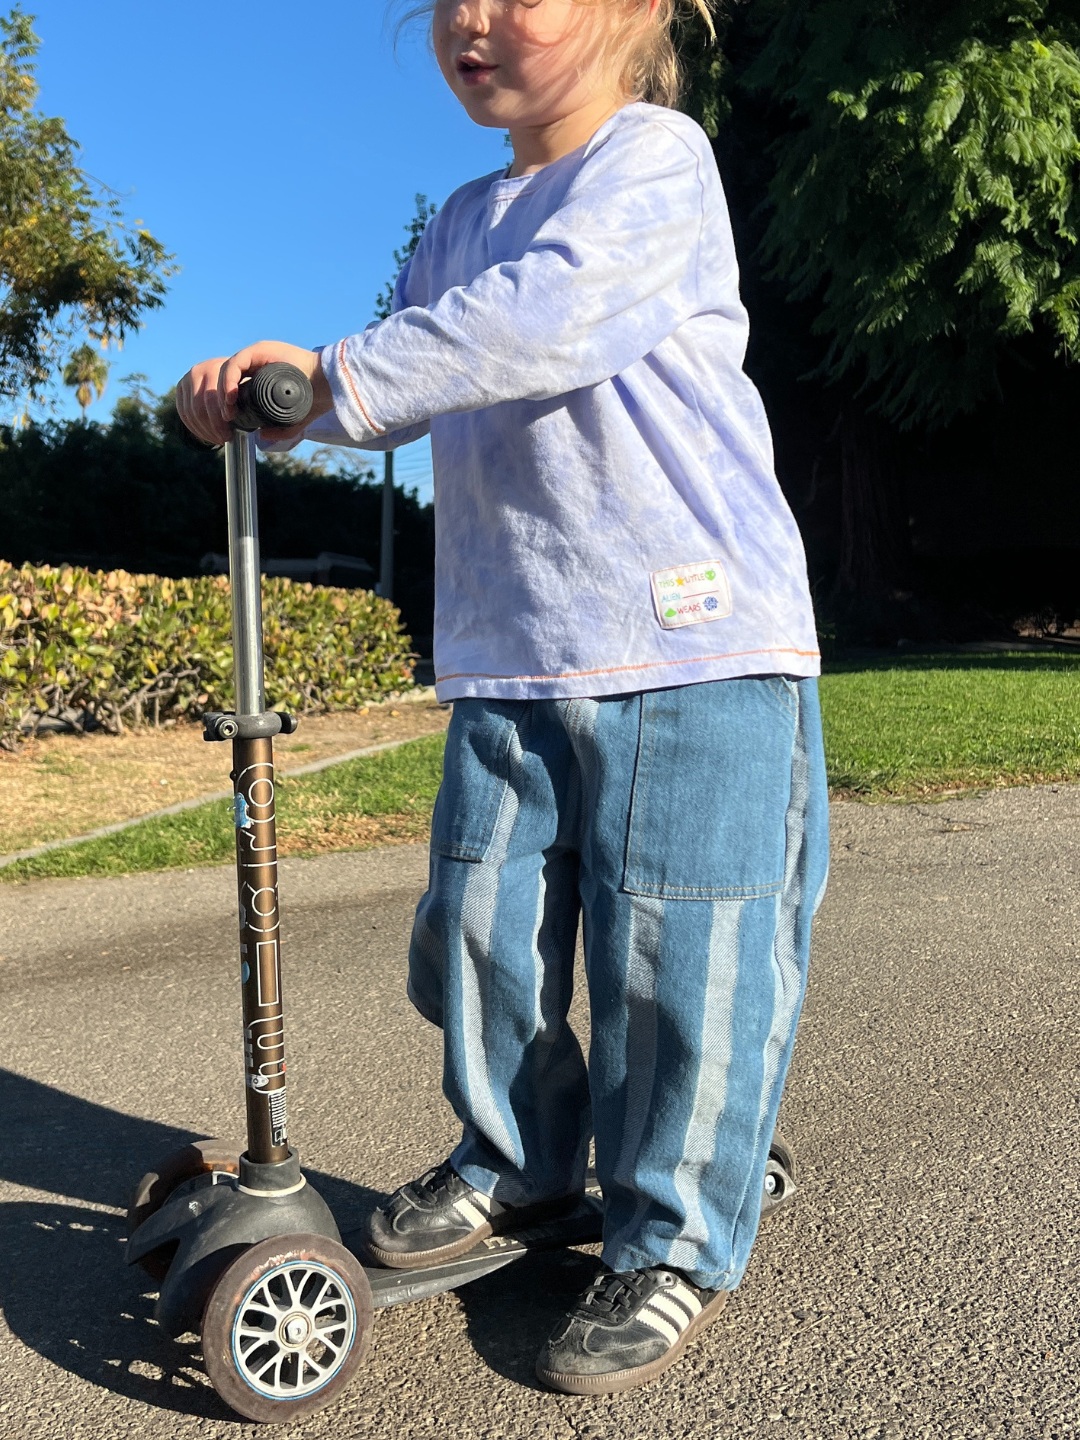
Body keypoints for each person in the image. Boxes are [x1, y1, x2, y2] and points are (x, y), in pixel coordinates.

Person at [177, 0, 829, 1397]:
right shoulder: (461, 218)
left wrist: (327, 379)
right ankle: (523, 1164)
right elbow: (422, 373)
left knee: (684, 968)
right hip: (513, 650)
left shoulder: (656, 164)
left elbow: (539, 324)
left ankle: (677, 1234)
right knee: (478, 937)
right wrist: (262, 393)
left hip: (691, 642)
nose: (471, 21)